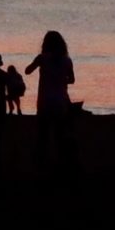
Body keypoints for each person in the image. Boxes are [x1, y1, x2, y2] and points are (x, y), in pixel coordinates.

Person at [24, 31, 77, 166]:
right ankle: (61, 160)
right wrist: (61, 80)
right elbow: (71, 80)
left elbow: (27, 71)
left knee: (43, 133)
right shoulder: (67, 60)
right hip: (61, 100)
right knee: (60, 133)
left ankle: (42, 160)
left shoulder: (42, 58)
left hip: (44, 101)